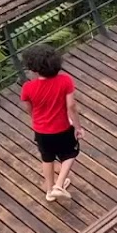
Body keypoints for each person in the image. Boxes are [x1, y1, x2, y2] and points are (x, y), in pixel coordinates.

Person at [21, 44, 82, 202]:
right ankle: (59, 185)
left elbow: (30, 109)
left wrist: (34, 121)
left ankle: (49, 191)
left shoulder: (27, 88)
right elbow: (71, 106)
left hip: (41, 130)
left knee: (47, 158)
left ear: (34, 69)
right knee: (71, 153)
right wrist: (78, 126)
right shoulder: (65, 81)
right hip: (62, 127)